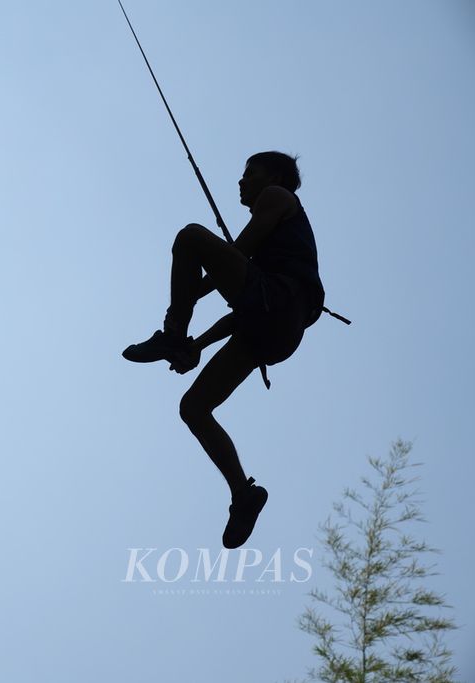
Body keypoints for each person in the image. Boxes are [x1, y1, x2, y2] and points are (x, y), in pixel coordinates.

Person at [123, 151, 324, 549]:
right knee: (193, 407)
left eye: (250, 173)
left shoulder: (278, 198)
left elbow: (241, 252)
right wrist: (198, 344)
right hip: (272, 329)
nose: (241, 181)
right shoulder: (276, 246)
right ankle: (242, 494)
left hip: (276, 305)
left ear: (276, 177)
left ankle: (172, 335)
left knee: (190, 236)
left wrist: (192, 291)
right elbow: (241, 312)